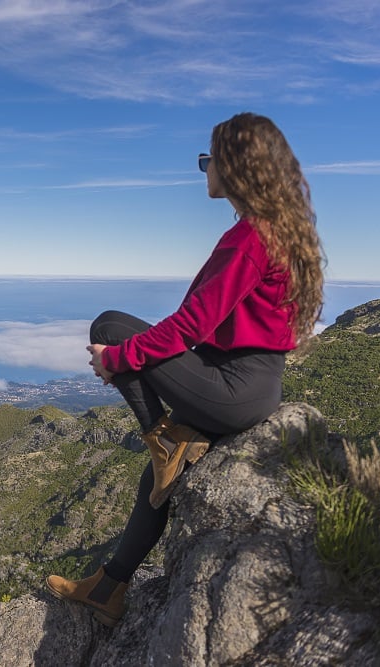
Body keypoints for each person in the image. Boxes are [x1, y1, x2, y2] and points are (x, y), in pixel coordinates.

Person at [45, 112, 324, 627]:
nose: (204, 168)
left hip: (233, 385)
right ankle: (107, 589)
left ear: (236, 166)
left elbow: (190, 325)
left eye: (209, 159)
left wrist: (119, 359)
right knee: (156, 481)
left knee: (110, 327)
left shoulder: (250, 238)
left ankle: (163, 436)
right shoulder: (273, 231)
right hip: (251, 382)